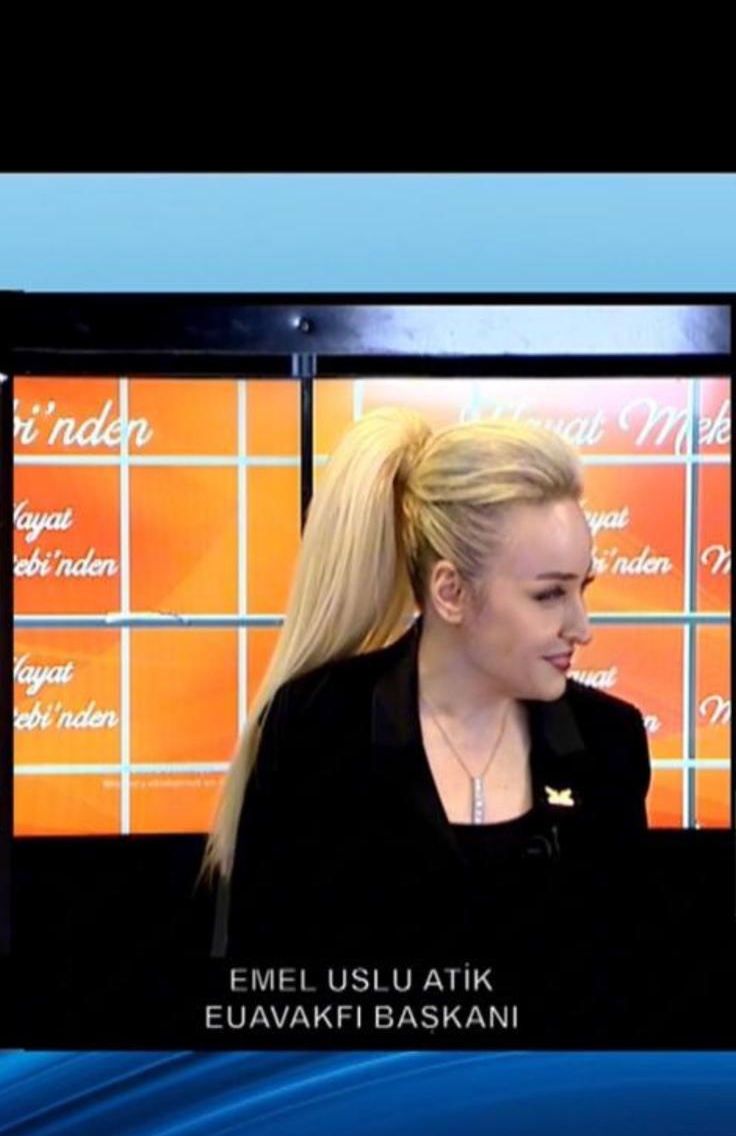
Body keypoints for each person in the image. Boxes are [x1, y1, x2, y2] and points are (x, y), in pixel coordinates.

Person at [205, 408, 652, 963]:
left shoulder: (610, 742)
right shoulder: (316, 728)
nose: (582, 628)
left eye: (582, 588)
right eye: (549, 595)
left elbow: (628, 977)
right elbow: (261, 974)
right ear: (451, 592)